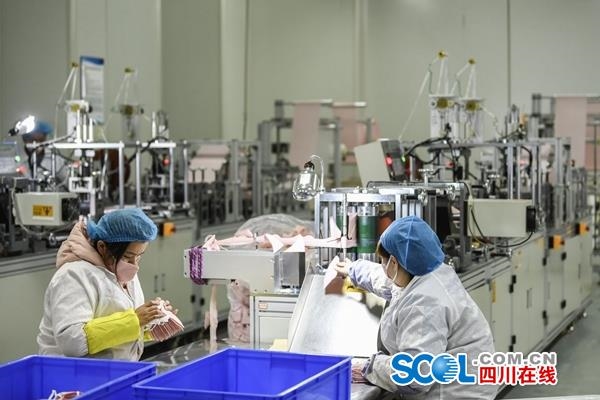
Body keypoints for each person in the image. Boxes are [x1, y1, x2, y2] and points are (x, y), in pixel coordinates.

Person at [334, 215, 496, 399]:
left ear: (394, 263)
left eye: (383, 261)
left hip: (455, 394)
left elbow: (415, 376)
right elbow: (387, 281)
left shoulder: (425, 305)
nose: (382, 267)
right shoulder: (427, 270)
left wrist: (370, 367)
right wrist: (353, 270)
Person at [37, 208, 177, 360]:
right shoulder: (74, 276)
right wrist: (135, 320)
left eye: (139, 256)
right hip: (75, 374)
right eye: (128, 257)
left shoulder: (121, 270)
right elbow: (73, 342)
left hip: (115, 370)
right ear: (102, 247)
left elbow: (116, 328)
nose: (134, 265)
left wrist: (151, 322)